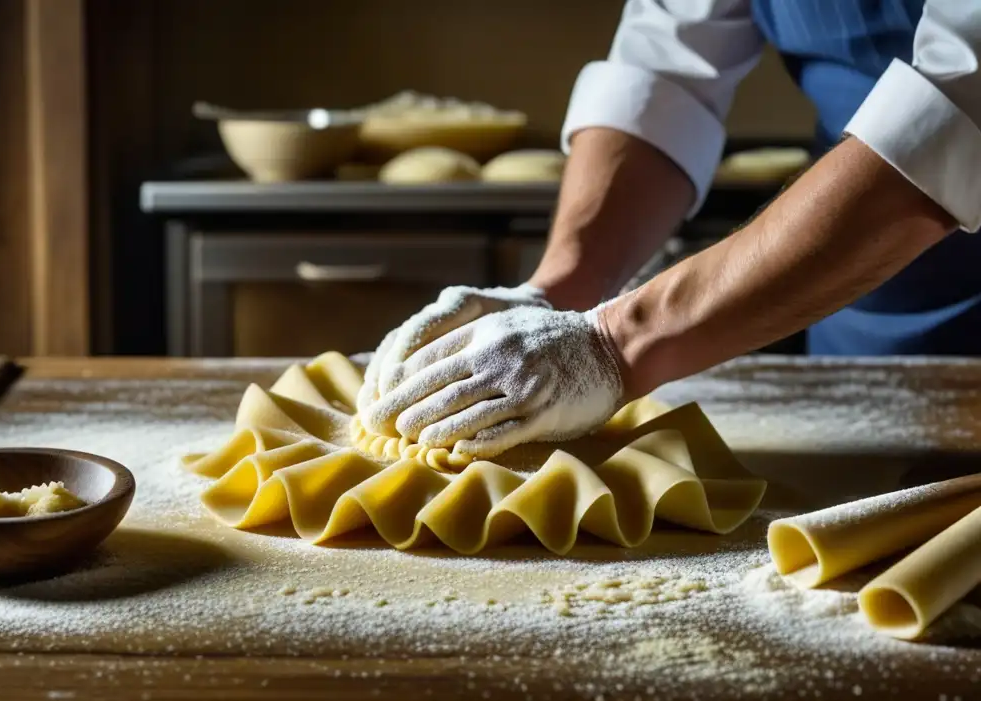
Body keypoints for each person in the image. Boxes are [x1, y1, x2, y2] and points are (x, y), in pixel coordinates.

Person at [356, 0, 981, 459]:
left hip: (885, 212)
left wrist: (614, 343)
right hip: (861, 295)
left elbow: (956, 112)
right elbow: (666, 71)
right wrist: (557, 292)